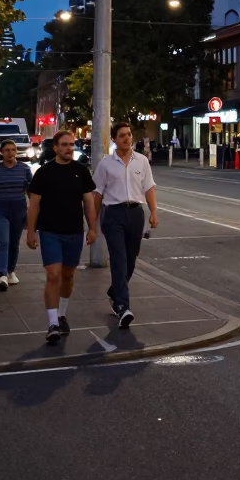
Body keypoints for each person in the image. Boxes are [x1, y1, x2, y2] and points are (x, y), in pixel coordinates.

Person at [26, 129, 98, 345]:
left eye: (71, 144)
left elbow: (89, 203)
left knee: (67, 276)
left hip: (74, 232)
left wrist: (92, 228)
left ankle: (61, 315)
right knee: (53, 275)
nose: (68, 148)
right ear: (55, 148)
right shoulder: (44, 173)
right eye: (64, 144)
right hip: (50, 232)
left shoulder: (81, 171)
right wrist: (31, 231)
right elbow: (34, 204)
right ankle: (52, 324)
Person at [93, 122, 158, 329]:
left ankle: (115, 291)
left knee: (130, 261)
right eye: (121, 135)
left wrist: (153, 212)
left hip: (135, 214)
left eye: (129, 135)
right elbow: (97, 193)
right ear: (114, 139)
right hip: (113, 214)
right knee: (119, 259)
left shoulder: (142, 162)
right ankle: (122, 306)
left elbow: (149, 188)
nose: (126, 138)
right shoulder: (106, 164)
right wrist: (92, 223)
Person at [0, 139, 33, 288]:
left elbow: (31, 190)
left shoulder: (24, 169)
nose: (10, 153)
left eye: (13, 150)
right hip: (0, 210)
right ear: (1, 152)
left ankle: (11, 270)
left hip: (19, 209)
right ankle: (2, 274)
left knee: (14, 243)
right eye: (7, 150)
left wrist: (32, 212)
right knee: (4, 241)